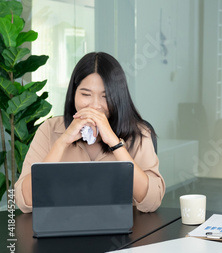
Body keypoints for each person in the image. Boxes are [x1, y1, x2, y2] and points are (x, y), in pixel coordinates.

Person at [14, 52, 165, 213]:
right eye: (86, 94)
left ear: (119, 98)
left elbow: (151, 202)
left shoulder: (139, 133)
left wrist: (115, 143)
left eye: (106, 96)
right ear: (73, 94)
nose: (95, 105)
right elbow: (25, 202)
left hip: (123, 233)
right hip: (61, 229)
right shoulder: (49, 129)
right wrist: (63, 141)